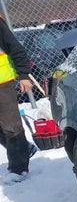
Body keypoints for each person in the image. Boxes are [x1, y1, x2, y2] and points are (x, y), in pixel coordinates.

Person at [0, 15, 36, 183]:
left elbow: (16, 48)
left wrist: (23, 75)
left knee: (11, 126)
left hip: (2, 83)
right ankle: (24, 149)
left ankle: (19, 168)